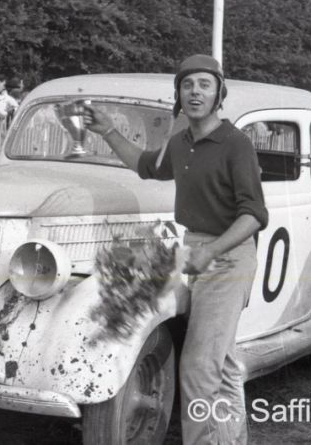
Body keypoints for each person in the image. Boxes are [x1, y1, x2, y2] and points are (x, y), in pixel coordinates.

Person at [81, 54, 268, 445]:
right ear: (178, 94)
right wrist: (108, 130)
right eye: (187, 85)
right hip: (197, 251)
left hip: (229, 257)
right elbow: (145, 165)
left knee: (199, 367)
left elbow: (254, 214)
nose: (195, 92)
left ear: (219, 94)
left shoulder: (236, 144)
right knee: (222, 365)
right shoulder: (181, 143)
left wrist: (211, 250)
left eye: (204, 84)